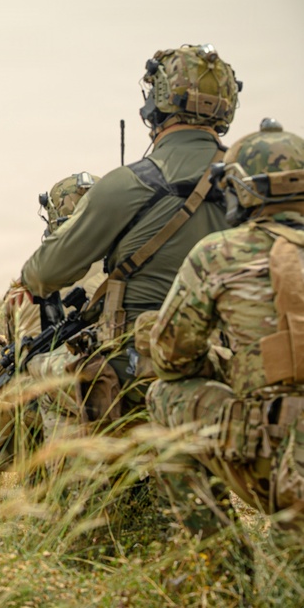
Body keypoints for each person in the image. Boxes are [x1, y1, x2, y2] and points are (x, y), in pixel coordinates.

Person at [18, 44, 239, 434]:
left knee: (35, 371)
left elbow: (42, 274)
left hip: (137, 370)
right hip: (232, 366)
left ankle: (81, 487)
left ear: (156, 103)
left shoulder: (130, 182)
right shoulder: (254, 181)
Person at [148, 119, 304, 569]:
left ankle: (224, 575)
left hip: (277, 462)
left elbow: (171, 360)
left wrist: (229, 364)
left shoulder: (219, 253)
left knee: (165, 396)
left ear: (241, 189)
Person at [0, 173, 104, 492]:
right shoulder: (127, 270)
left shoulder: (31, 282)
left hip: (56, 406)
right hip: (119, 394)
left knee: (9, 394)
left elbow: (21, 350)